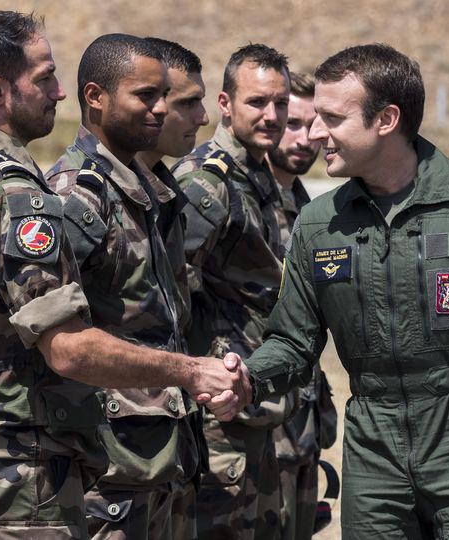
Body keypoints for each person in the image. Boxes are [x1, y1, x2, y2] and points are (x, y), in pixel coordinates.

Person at [0, 13, 248, 538]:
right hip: (29, 468)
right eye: (45, 77)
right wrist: (189, 372)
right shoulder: (14, 196)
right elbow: (68, 348)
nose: (58, 92)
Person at [243, 43, 449, 539]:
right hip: (374, 452)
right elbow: (292, 341)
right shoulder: (319, 222)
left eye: (332, 118)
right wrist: (246, 379)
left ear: (386, 119)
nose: (314, 132)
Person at [45, 34, 239, 539]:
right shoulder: (77, 196)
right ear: (96, 98)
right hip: (109, 467)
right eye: (145, 96)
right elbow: (58, 340)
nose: (160, 110)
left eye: (163, 97)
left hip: (159, 455)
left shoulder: (149, 191)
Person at [172, 44, 291, 540]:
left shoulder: (257, 171)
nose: (272, 115)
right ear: (225, 104)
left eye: (280, 103)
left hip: (252, 397)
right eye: (257, 103)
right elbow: (171, 288)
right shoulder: (208, 180)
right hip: (219, 405)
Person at [136, 37, 210, 540]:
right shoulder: (79, 195)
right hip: (117, 466)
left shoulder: (164, 195)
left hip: (169, 451)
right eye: (187, 102)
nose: (201, 117)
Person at [265, 71, 338, 540]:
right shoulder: (232, 196)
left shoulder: (300, 202)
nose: (306, 137)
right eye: (293, 122)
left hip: (300, 422)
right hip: (254, 424)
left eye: (314, 124)